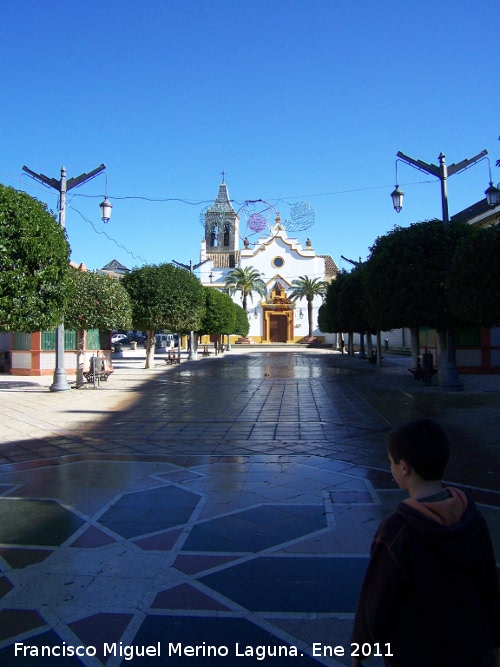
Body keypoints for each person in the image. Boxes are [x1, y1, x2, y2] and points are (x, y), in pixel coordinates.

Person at [352, 418, 500, 667]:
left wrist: (360, 649)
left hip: (417, 654)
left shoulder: (398, 529)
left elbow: (376, 598)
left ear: (404, 468)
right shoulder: (471, 516)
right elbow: (489, 583)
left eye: (391, 462)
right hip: (473, 649)